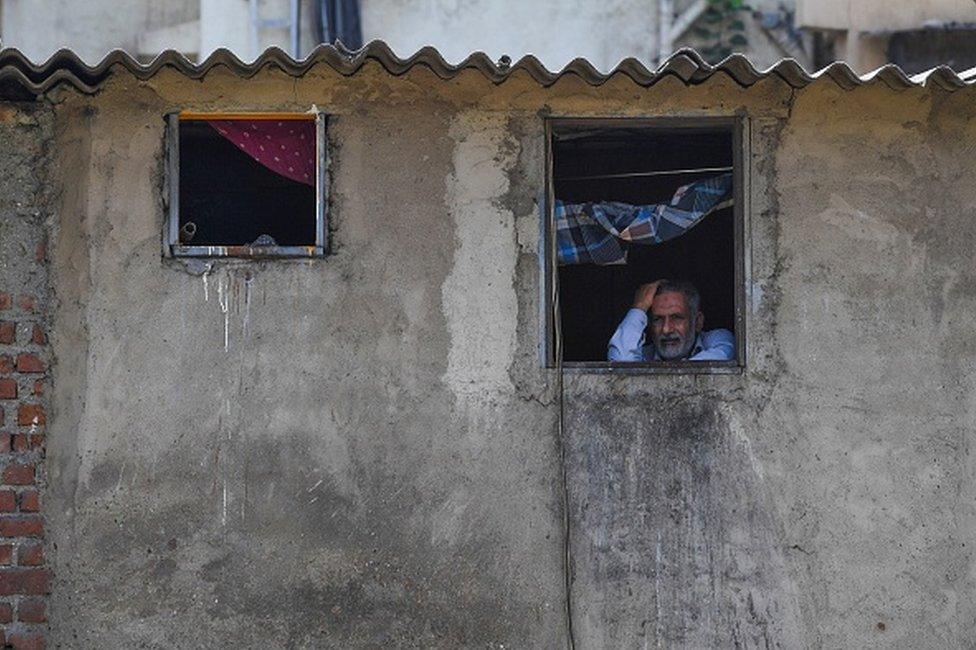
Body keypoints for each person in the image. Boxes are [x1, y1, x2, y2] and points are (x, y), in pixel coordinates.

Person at [608, 279, 734, 362]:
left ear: (698, 322)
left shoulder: (718, 341)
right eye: (658, 319)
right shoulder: (644, 356)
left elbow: (722, 355)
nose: (666, 329)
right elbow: (619, 365)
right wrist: (639, 308)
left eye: (677, 318)